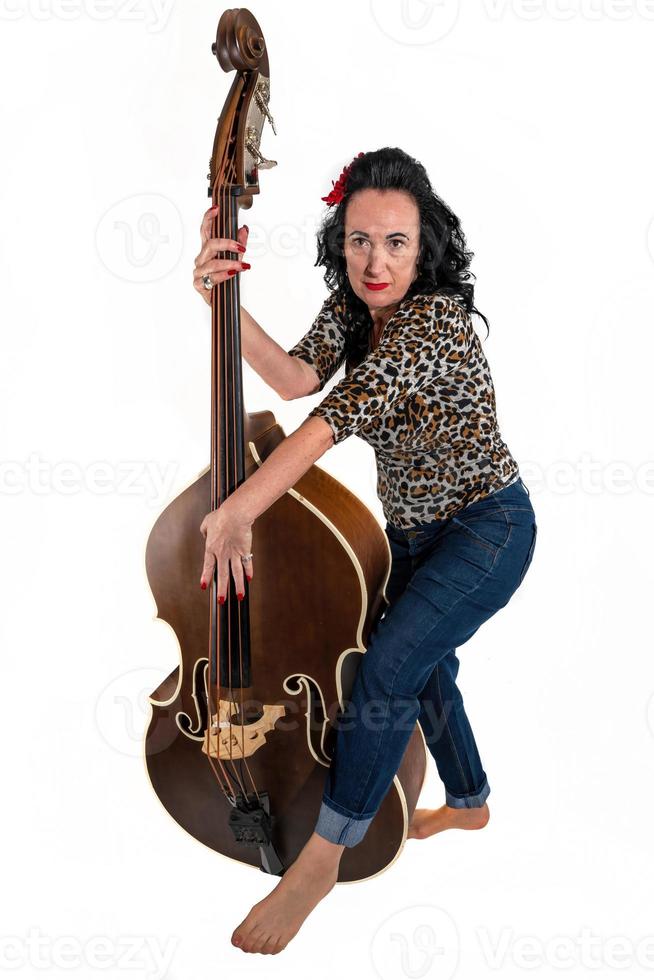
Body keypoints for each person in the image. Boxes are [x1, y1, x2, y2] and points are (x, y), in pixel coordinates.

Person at [192, 147, 538, 955]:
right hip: (415, 535)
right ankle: (471, 798)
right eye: (358, 241)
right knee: (427, 671)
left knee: (387, 670)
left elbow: (322, 428)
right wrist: (215, 295)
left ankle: (319, 859)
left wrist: (239, 507)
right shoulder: (356, 307)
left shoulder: (433, 322)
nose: (374, 261)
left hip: (489, 531)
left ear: (428, 249)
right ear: (339, 240)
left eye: (395, 243)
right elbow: (289, 378)